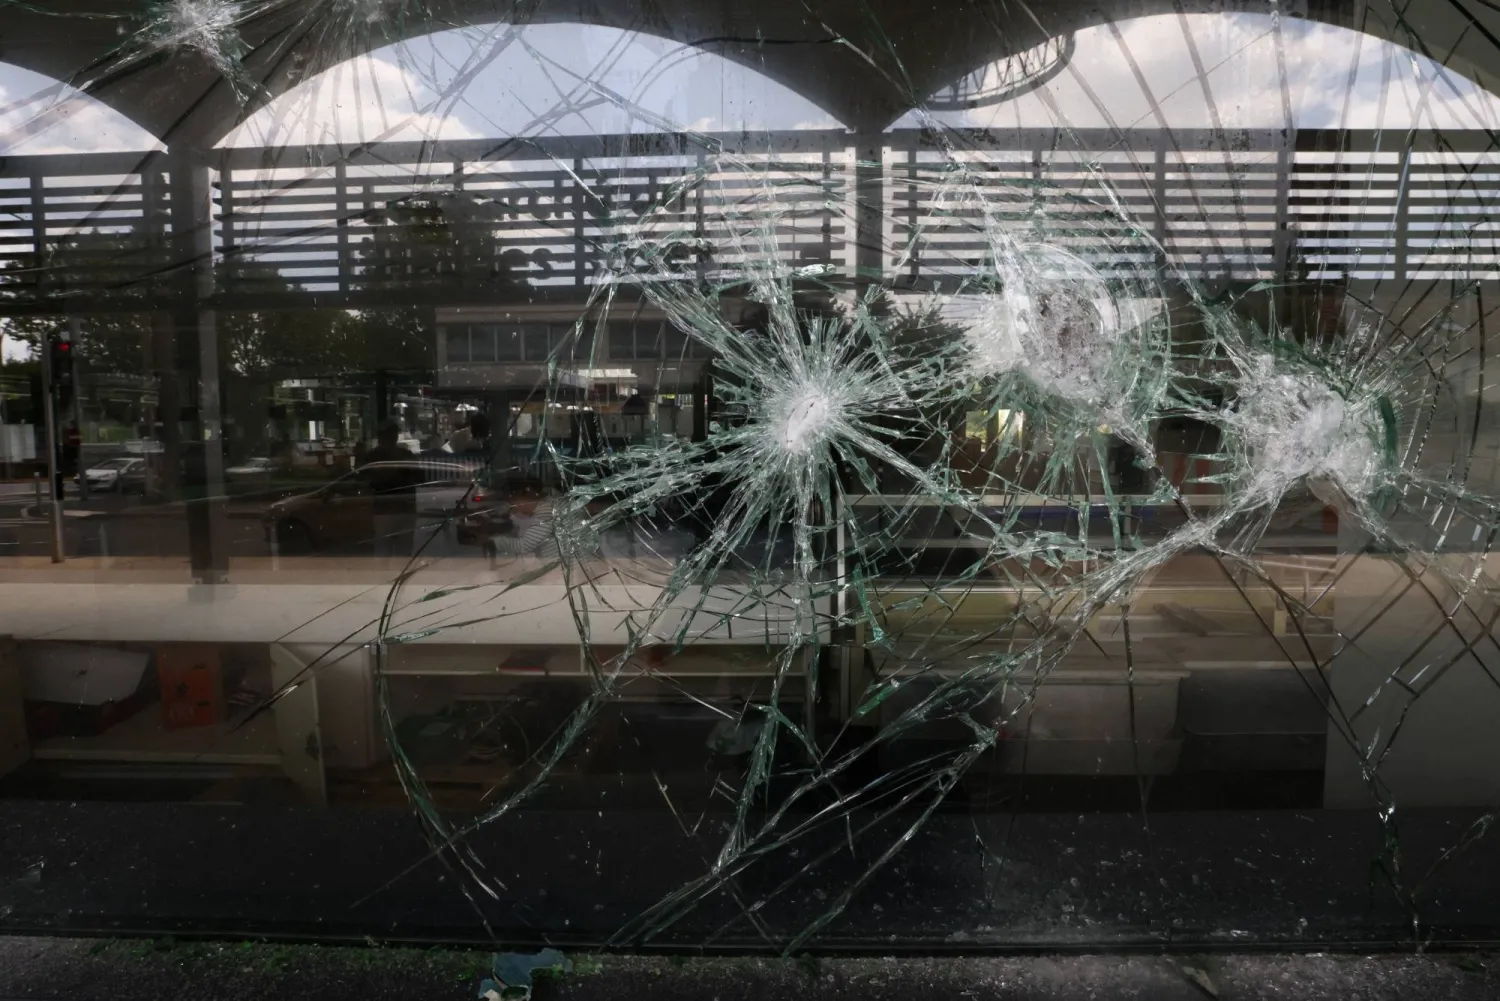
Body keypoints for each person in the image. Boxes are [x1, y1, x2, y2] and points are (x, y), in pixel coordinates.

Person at [362, 420, 416, 560]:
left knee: (382, 550)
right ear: (395, 437)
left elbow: (365, 481)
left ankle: (384, 579)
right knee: (403, 552)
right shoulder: (406, 455)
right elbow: (419, 477)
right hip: (405, 508)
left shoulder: (372, 456)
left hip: (382, 509)